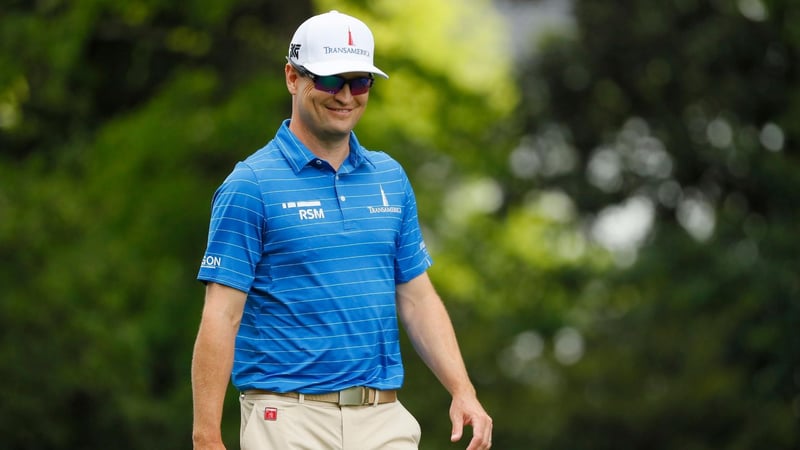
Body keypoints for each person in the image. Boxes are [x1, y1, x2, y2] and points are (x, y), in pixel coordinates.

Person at [191, 10, 492, 450]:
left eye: (361, 82)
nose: (346, 96)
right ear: (293, 77)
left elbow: (416, 295)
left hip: (383, 418)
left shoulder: (389, 177)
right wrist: (205, 437)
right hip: (287, 419)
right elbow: (222, 314)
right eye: (331, 81)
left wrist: (463, 390)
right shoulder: (250, 185)